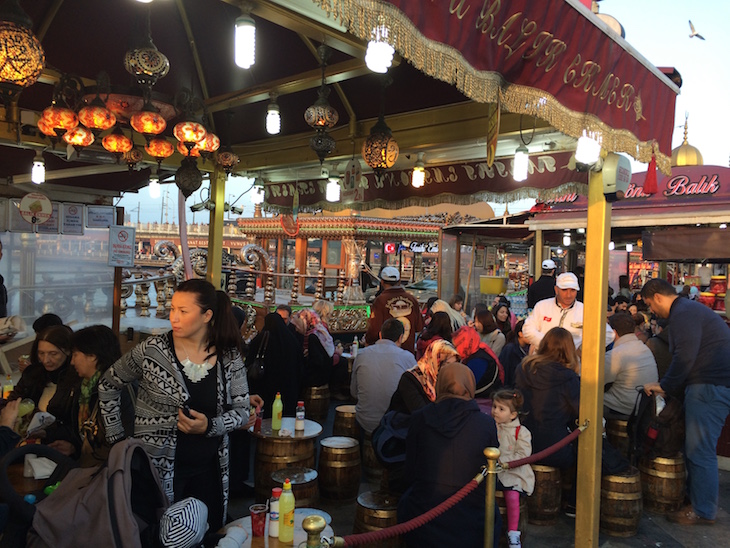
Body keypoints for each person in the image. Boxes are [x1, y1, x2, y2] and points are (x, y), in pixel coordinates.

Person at [99, 279, 257, 531]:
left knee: (207, 531)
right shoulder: (152, 351)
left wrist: (209, 426)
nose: (174, 317)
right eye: (172, 309)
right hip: (156, 469)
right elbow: (108, 385)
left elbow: (241, 413)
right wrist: (116, 438)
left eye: (183, 311)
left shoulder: (228, 356)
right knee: (161, 532)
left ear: (207, 315)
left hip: (210, 469)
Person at [641, 278, 730, 526]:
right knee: (697, 449)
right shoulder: (690, 310)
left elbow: (685, 356)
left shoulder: (683, 314)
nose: (652, 311)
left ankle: (702, 510)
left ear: (658, 297)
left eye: (650, 304)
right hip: (710, 384)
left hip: (709, 386)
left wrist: (665, 386)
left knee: (700, 450)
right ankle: (696, 502)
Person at [397, 363, 500, 547]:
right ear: (470, 385)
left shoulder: (420, 418)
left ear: (440, 384)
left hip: (423, 518)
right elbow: (492, 478)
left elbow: (410, 472)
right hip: (472, 522)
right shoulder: (486, 424)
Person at [44, 325, 135, 467]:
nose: (72, 362)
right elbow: (88, 435)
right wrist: (74, 447)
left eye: (75, 354)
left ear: (92, 356)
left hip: (112, 476)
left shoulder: (116, 392)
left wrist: (81, 469)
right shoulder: (86, 388)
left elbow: (117, 448)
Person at [515, 327, 580, 469]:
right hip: (555, 447)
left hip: (522, 444)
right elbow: (578, 412)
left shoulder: (524, 368)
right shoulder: (569, 377)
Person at [350, 318, 416, 434]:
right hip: (393, 424)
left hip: (364, 420)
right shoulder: (407, 357)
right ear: (401, 338)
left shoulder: (361, 354)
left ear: (380, 335)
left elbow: (354, 392)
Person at [522, 272, 615, 352]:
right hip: (544, 361)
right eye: (564, 290)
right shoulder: (542, 306)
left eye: (573, 290)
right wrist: (547, 345)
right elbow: (528, 329)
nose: (569, 295)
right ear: (556, 290)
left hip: (572, 364)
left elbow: (608, 334)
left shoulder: (585, 310)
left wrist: (582, 349)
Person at [11, 326, 79, 429]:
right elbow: (13, 402)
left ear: (68, 351)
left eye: (53, 354)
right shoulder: (32, 374)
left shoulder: (77, 378)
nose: (46, 360)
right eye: (41, 353)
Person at [492, 389, 534, 548]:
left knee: (512, 496)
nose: (495, 411)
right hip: (494, 471)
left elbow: (524, 454)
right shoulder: (492, 426)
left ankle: (513, 532)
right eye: (494, 406)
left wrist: (504, 461)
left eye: (501, 409)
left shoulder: (521, 432)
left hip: (514, 471)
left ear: (513, 414)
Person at [246, 312, 303, 418]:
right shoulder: (291, 340)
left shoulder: (261, 338)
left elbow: (250, 358)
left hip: (264, 386)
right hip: (288, 388)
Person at [603, 313, 658, 418]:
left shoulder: (616, 354)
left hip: (623, 408)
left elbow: (596, 381)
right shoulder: (644, 348)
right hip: (644, 406)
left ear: (613, 333)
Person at [388, 339, 460, 415]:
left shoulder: (449, 382)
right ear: (434, 362)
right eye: (446, 364)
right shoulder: (410, 379)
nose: (451, 369)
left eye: (454, 365)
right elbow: (422, 414)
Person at [365, 266, 423, 353]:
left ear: (382, 282)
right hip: (407, 353)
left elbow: (374, 330)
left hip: (386, 353)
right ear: (399, 281)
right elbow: (419, 327)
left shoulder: (380, 301)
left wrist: (367, 340)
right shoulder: (412, 299)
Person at [452, 326, 503, 397]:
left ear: (464, 343)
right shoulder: (477, 351)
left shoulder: (478, 361)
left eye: (457, 345)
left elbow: (466, 386)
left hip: (484, 400)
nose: (455, 349)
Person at [498, 320, 528, 388]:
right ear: (520, 334)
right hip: (510, 389)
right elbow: (505, 371)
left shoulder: (531, 348)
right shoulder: (510, 349)